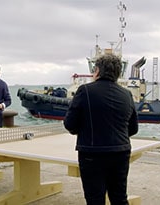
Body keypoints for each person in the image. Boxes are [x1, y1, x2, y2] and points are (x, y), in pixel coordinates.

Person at [63, 53, 138, 205]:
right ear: (118, 73)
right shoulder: (127, 94)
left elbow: (70, 123)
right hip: (120, 152)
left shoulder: (85, 91)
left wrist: (83, 132)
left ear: (97, 70)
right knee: (119, 197)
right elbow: (133, 128)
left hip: (92, 153)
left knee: (95, 199)